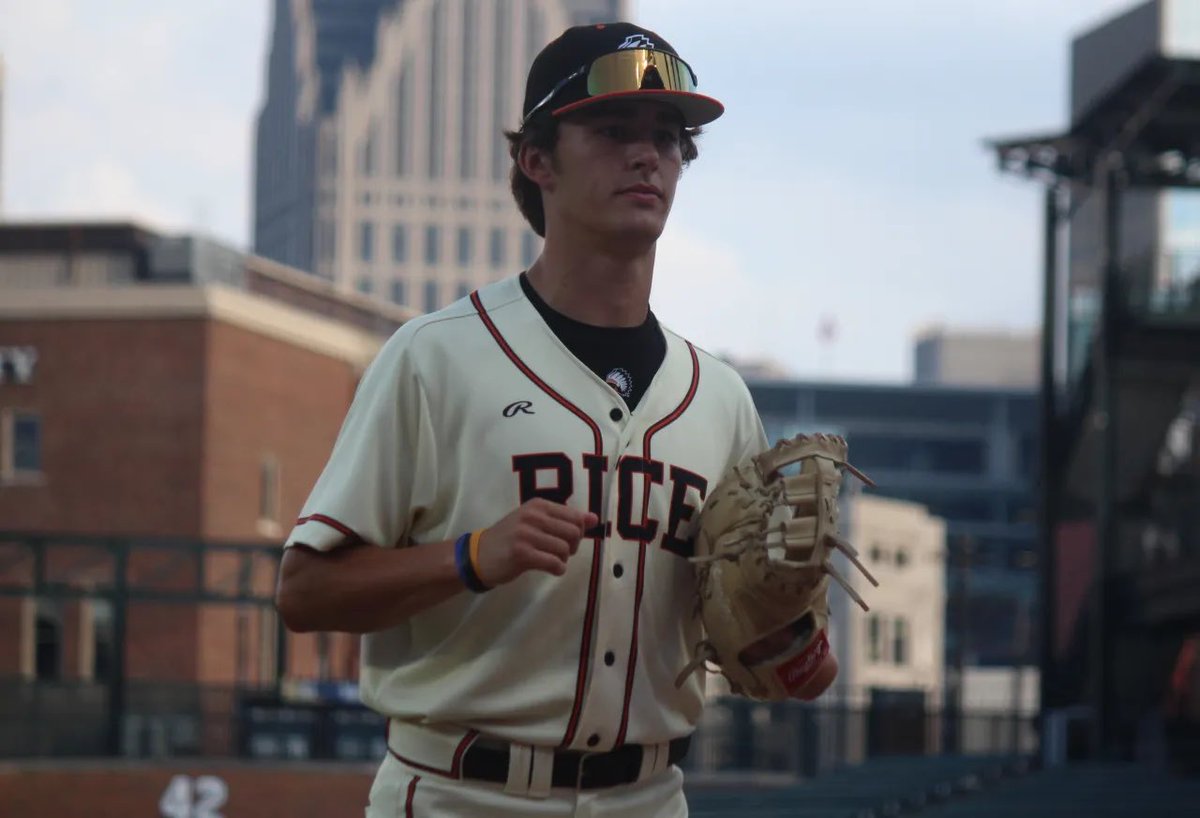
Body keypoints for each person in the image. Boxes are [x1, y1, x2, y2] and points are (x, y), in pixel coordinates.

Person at [275, 21, 837, 817]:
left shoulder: (716, 397)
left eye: (669, 138)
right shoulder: (435, 358)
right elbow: (304, 592)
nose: (649, 156)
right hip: (458, 794)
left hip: (650, 797)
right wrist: (468, 556)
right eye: (614, 131)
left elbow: (781, 659)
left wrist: (791, 645)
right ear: (536, 160)